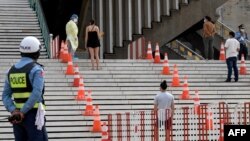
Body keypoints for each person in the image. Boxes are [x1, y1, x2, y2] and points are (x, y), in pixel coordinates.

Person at [2, 36, 48, 140]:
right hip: (33, 115)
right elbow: (37, 93)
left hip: (17, 118)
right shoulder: (36, 69)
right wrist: (23, 111)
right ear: (36, 52)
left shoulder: (11, 70)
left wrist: (14, 111)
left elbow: (5, 95)